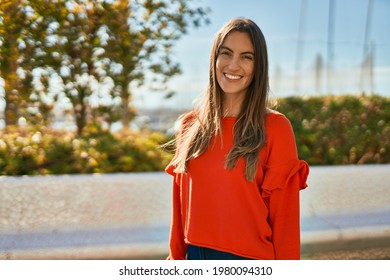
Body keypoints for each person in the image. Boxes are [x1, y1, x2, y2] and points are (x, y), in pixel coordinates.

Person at [164, 18, 309, 260]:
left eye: (246, 57)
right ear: (214, 59)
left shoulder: (275, 127)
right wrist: (175, 260)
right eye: (226, 53)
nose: (233, 65)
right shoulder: (190, 124)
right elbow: (180, 208)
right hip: (194, 256)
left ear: (258, 66)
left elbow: (285, 221)